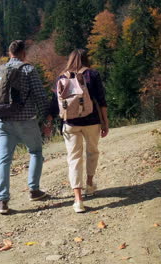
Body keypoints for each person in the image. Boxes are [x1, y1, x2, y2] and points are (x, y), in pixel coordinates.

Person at [0, 40, 50, 214]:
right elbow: (39, 95)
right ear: (24, 53)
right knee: (36, 152)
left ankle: (2, 201)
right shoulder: (28, 69)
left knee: (3, 160)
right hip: (25, 119)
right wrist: (47, 117)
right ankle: (34, 190)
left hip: (1, 121)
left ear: (10, 53)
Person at [49, 49, 109, 213]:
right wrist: (105, 122)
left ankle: (78, 200)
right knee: (92, 152)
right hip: (92, 120)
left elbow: (56, 104)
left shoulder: (62, 77)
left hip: (70, 123)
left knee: (74, 159)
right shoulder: (92, 74)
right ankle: (89, 185)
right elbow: (101, 100)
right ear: (86, 59)